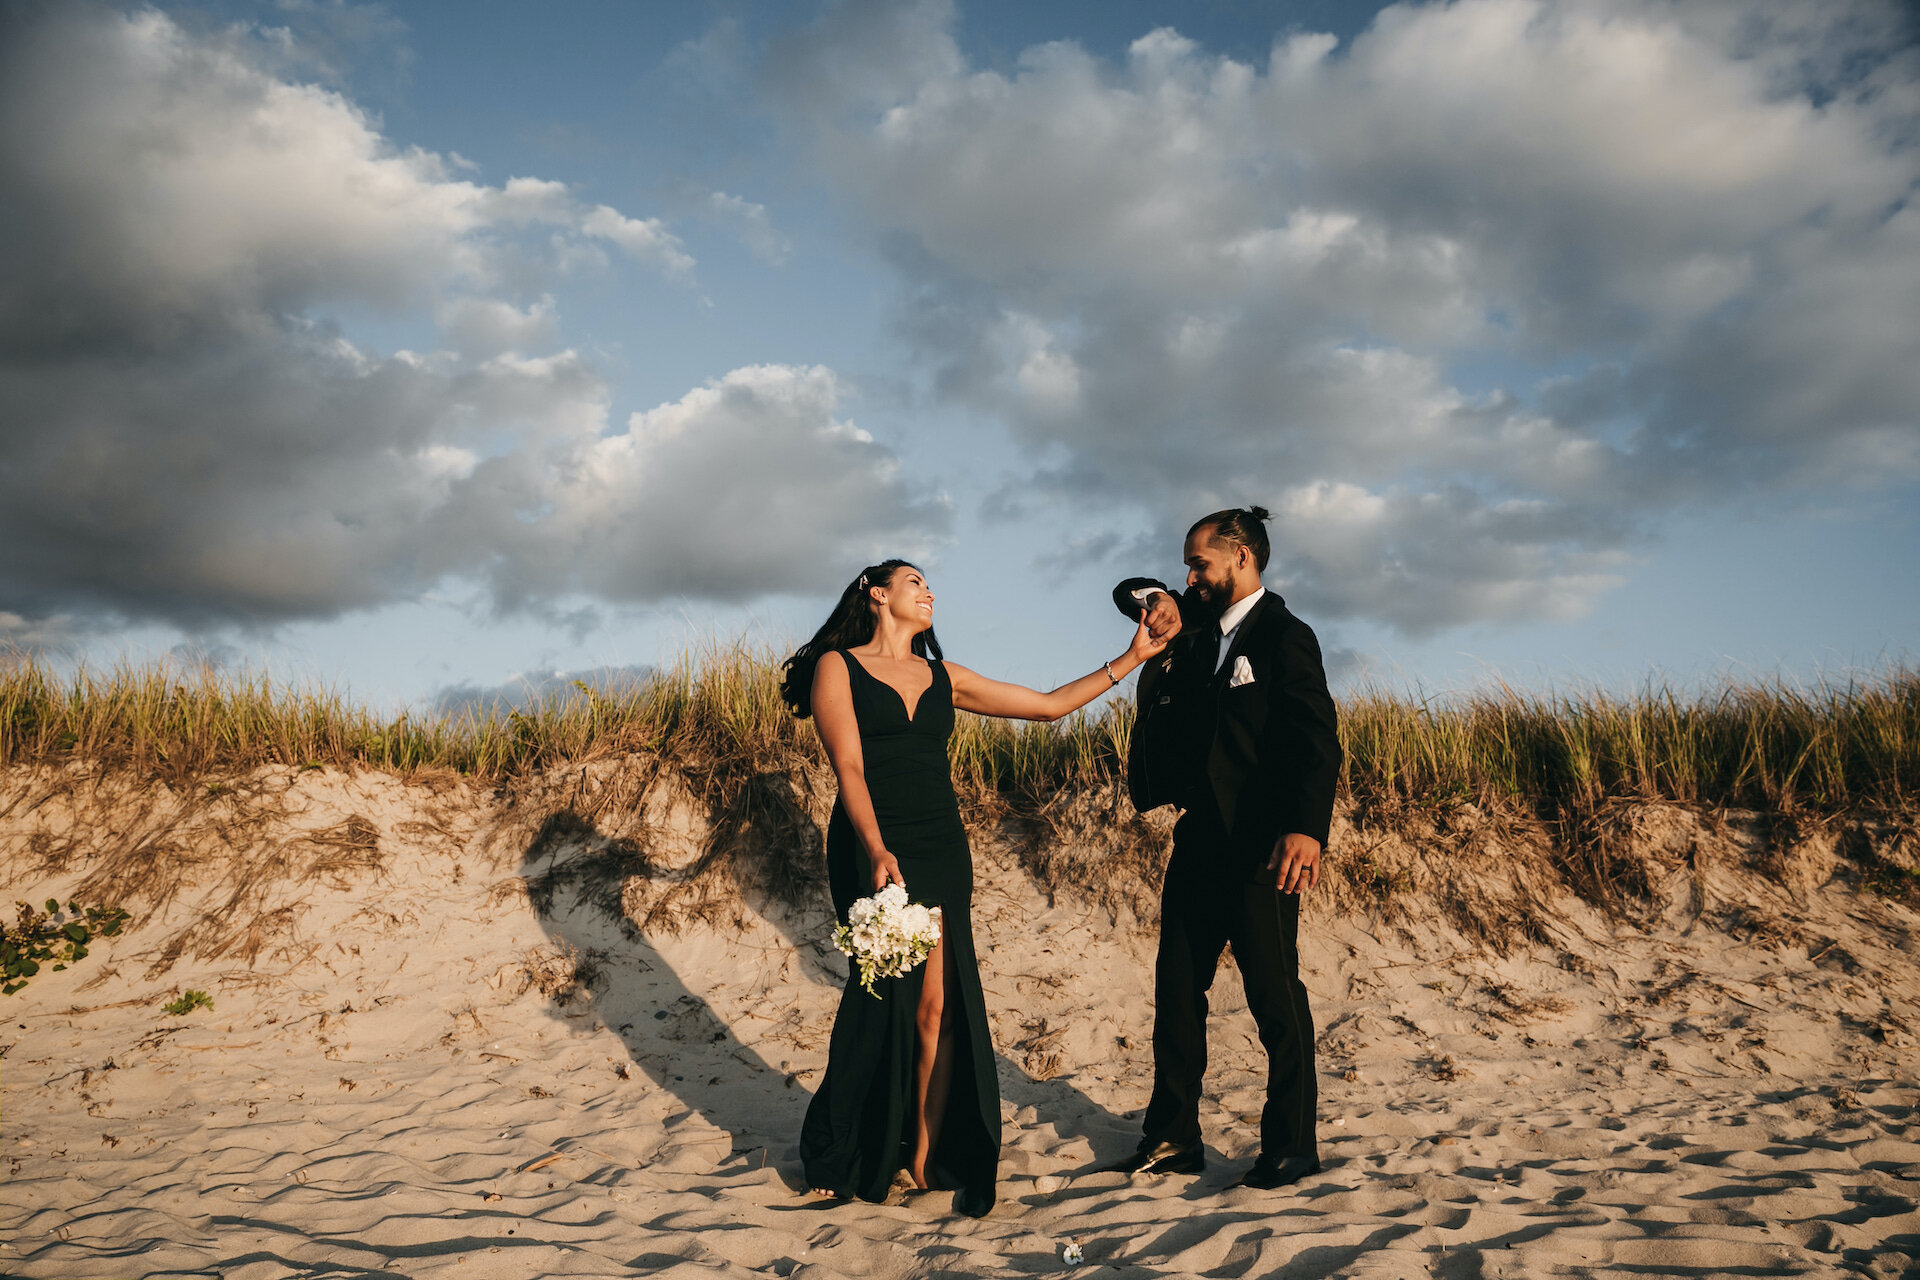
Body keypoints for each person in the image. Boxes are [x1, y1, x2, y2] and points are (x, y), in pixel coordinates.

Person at [784, 558, 1166, 1217]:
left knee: (938, 1007)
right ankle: (840, 1152)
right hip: (870, 841)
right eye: (914, 582)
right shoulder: (837, 668)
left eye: (930, 586)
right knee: (879, 1000)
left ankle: (925, 1154)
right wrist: (876, 847)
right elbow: (847, 763)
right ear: (875, 594)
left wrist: (1129, 658)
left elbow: (1045, 709)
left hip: (939, 845)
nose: (928, 592)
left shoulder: (944, 676)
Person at [1107, 506, 1341, 1190]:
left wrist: (1306, 828)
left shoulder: (1285, 637)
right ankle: (1173, 1136)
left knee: (1274, 995)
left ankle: (1292, 1146)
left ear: (1242, 557)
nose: (1189, 575)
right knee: (1177, 989)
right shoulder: (1199, 627)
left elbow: (1315, 740)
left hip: (1263, 846)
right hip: (1199, 841)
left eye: (1199, 563)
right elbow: (1129, 592)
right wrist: (1161, 603)